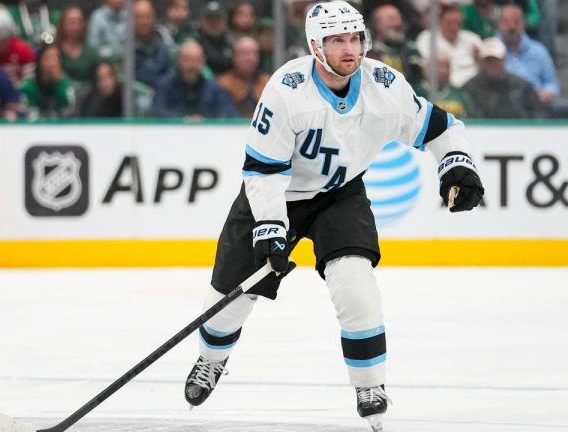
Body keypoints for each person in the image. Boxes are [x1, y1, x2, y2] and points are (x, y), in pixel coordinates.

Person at [181, 2, 483, 431]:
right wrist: (269, 229)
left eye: (355, 38)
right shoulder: (286, 90)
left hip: (339, 195)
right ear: (315, 46)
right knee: (232, 298)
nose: (350, 49)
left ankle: (370, 385)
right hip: (276, 195)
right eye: (337, 40)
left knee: (354, 280)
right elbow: (263, 172)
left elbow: (441, 128)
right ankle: (211, 360)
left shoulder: (384, 86)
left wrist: (456, 163)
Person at [498, 4, 568, 118]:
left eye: (516, 22)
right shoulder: (492, 49)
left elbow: (552, 83)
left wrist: (547, 93)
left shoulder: (539, 51)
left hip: (535, 104)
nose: (511, 27)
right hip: (501, 104)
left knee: (566, 108)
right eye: (506, 22)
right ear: (499, 25)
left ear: (523, 24)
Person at [462, 37, 548, 118]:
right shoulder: (470, 88)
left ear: (504, 60)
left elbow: (539, 114)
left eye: (496, 60)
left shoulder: (523, 86)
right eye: (488, 60)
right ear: (482, 62)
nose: (492, 64)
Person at [151, 40, 238, 119]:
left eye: (197, 60)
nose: (192, 65)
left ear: (203, 62)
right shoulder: (164, 87)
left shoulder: (215, 90)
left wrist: (205, 122)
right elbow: (156, 113)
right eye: (187, 60)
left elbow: (229, 115)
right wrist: (183, 120)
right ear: (179, 61)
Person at [415, 4, 481, 87]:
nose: (454, 27)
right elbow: (426, 66)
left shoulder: (473, 39)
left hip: (472, 87)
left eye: (458, 23)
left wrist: (478, 58)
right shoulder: (427, 38)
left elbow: (484, 68)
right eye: (449, 23)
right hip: (442, 85)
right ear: (440, 21)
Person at [217, 35, 270, 118]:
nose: (250, 58)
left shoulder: (268, 83)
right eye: (244, 53)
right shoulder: (222, 83)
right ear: (234, 57)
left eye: (254, 53)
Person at [19, 43, 75, 119]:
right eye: (48, 58)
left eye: (56, 58)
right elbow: (27, 113)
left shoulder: (64, 82)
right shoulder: (29, 84)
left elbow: (70, 110)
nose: (53, 63)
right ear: (39, 61)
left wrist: (58, 84)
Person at [0, 8, 35, 88]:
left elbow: (29, 81)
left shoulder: (23, 49)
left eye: (4, 39)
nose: (0, 44)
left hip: (19, 91)